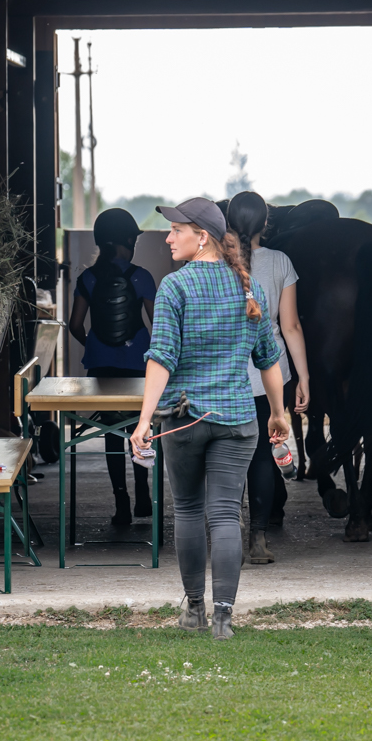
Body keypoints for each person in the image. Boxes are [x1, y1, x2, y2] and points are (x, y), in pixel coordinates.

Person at [130, 197, 288, 641]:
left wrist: (144, 420)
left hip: (183, 421)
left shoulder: (174, 288)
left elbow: (161, 358)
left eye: (175, 229)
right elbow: (268, 359)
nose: (167, 237)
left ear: (201, 238)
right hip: (238, 420)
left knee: (188, 509)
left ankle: (194, 608)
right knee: (223, 514)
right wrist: (278, 413)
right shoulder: (245, 287)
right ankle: (224, 618)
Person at [223, 192, 310, 563]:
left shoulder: (213, 262)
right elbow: (290, 326)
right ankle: (257, 539)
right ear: (265, 224)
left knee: (224, 458)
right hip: (268, 375)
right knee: (261, 457)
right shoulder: (280, 263)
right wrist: (304, 376)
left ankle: (226, 539)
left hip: (221, 376)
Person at [66, 207, 158, 528]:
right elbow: (158, 325)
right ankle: (144, 495)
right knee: (141, 429)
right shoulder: (142, 276)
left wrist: (94, 344)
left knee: (111, 434)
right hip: (139, 367)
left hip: (101, 369)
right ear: (127, 241)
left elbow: (75, 324)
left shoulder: (87, 278)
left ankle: (122, 503)